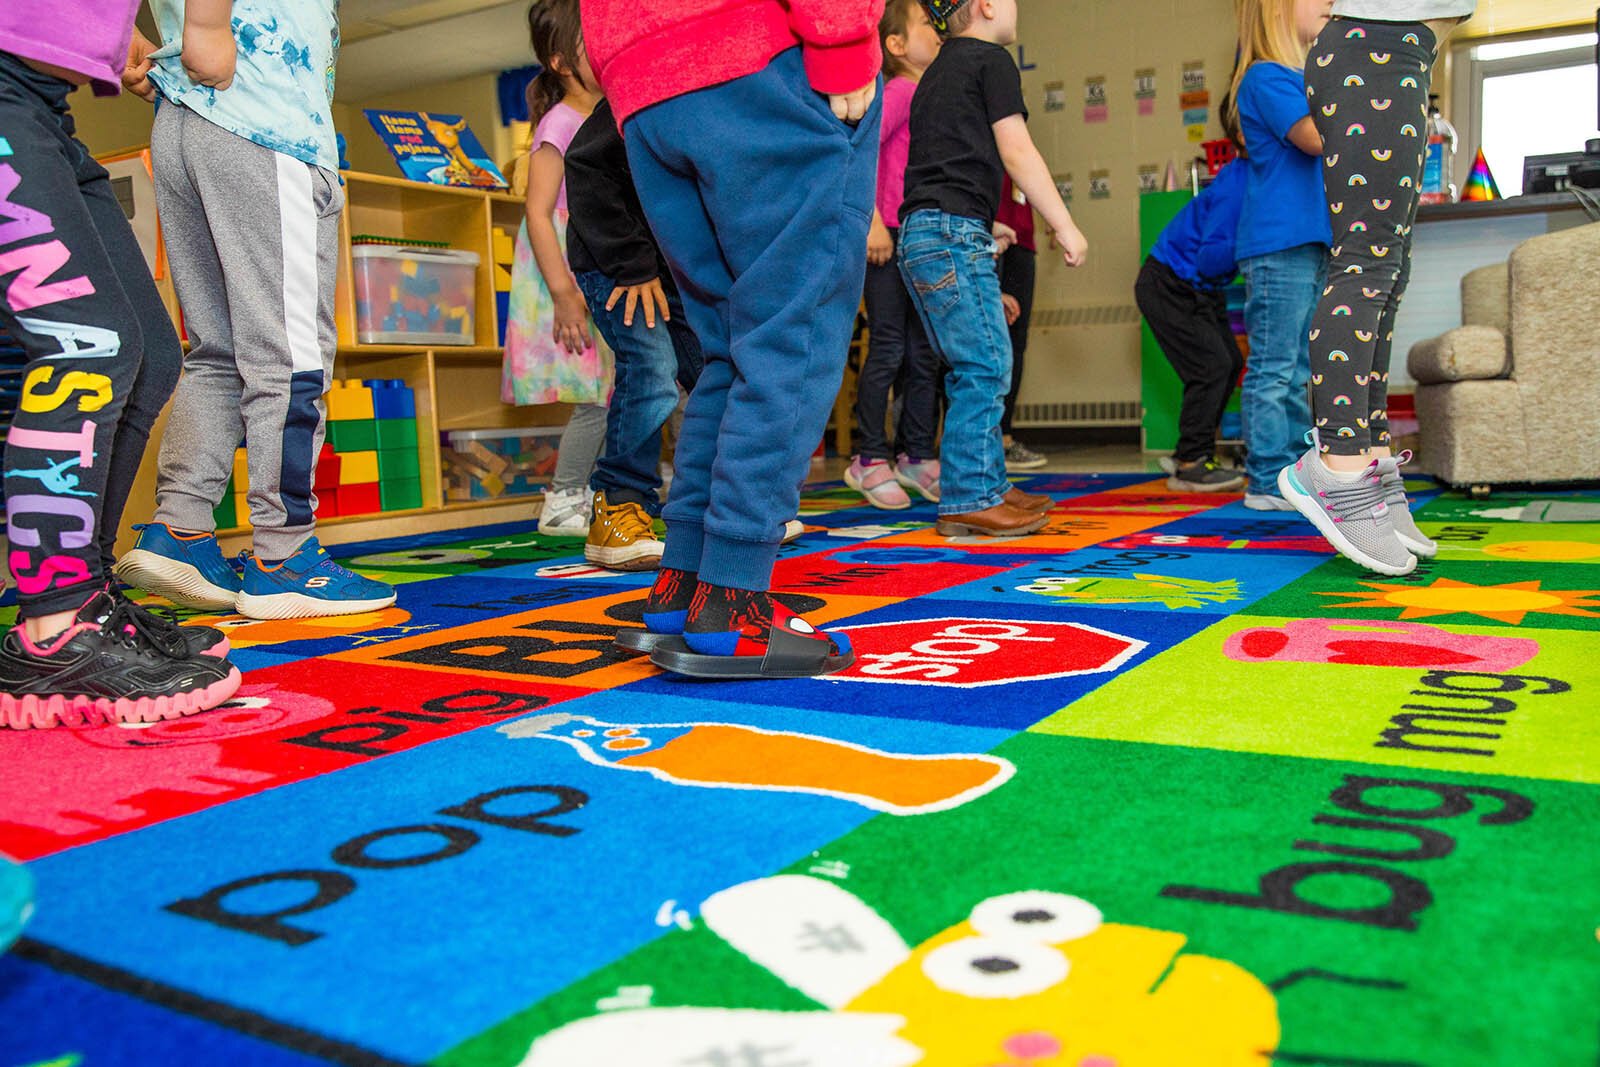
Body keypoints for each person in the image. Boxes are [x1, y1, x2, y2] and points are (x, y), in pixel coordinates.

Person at [583, 0, 883, 679]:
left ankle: (683, 582)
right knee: (790, 339)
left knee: (727, 345)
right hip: (759, 55)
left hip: (642, 83)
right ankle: (733, 600)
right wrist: (844, 40)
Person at [114, 0, 396, 622]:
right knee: (290, 356)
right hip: (264, 118)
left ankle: (181, 527)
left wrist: (117, 28)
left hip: (184, 119)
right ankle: (284, 556)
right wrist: (209, 26)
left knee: (218, 348)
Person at [0, 1, 240, 727]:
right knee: (86, 347)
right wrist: (205, 21)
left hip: (41, 102)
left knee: (147, 351)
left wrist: (101, 31)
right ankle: (56, 621)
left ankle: (83, 594)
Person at [1280, 0, 1474, 574]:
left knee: (1388, 272)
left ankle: (1371, 457)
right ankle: (1338, 466)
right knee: (1366, 265)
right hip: (1375, 51)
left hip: (1401, 51)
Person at [898, 0, 1088, 538]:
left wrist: (987, 227)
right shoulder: (990, 60)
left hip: (930, 231)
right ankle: (970, 497)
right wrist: (1063, 224)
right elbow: (1018, 150)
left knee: (976, 360)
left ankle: (987, 482)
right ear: (983, 6)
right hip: (951, 233)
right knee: (984, 364)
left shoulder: (936, 72)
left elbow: (944, 164)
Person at [565, 95, 704, 571]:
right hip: (618, 263)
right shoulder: (645, 86)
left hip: (679, 269)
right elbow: (587, 168)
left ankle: (715, 502)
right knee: (651, 369)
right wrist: (630, 264)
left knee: (712, 372)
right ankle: (619, 503)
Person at [501, 0, 613, 538]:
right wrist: (565, 294)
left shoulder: (602, 118)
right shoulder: (562, 122)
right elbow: (539, 212)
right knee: (594, 394)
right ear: (562, 61)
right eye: (593, 44)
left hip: (598, 263)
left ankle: (596, 492)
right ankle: (564, 497)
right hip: (566, 273)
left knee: (615, 389)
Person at [1228, 0, 1332, 511]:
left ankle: (1291, 471)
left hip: (1308, 238)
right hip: (1278, 242)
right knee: (1275, 368)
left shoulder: (1299, 78)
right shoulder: (1267, 77)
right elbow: (1314, 138)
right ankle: (1268, 479)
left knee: (1296, 368)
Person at [846, 0, 943, 511]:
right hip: (886, 236)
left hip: (913, 237)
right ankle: (869, 457)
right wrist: (873, 222)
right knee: (888, 347)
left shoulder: (921, 92)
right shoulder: (900, 90)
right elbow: (859, 154)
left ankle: (918, 453)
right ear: (897, 45)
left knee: (922, 350)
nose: (938, 30)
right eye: (928, 23)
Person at [1135, 158, 1249, 492]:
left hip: (1202, 286)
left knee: (1230, 363)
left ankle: (1189, 451)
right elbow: (1211, 257)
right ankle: (1191, 462)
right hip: (1171, 282)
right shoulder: (1240, 179)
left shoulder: (1254, 176)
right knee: (1211, 366)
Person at [997, 174, 1045, 471]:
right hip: (987, 234)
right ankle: (981, 443)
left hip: (1022, 239)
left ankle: (1004, 435)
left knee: (1015, 344)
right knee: (987, 344)